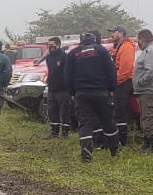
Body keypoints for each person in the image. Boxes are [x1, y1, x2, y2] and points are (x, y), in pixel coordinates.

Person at [65, 32, 120, 162]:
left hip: (81, 94)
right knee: (108, 121)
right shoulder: (103, 51)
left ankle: (86, 155)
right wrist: (111, 88)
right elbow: (111, 71)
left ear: (81, 41)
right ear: (95, 41)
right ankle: (114, 150)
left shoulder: (73, 54)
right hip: (102, 93)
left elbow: (67, 76)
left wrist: (72, 92)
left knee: (85, 124)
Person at [132, 29, 153, 153]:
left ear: (142, 39)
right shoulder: (147, 51)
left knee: (149, 118)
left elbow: (152, 70)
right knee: (145, 118)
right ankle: (147, 144)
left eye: (138, 40)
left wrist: (141, 82)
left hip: (149, 91)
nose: (137, 43)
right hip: (145, 91)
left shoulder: (151, 51)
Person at [40, 37, 73, 139]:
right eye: (49, 45)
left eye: (52, 45)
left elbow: (69, 73)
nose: (50, 47)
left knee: (64, 112)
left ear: (58, 45)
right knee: (52, 111)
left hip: (63, 89)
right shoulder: (49, 57)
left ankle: (65, 134)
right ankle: (54, 133)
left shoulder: (65, 56)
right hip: (52, 88)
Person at [109, 25, 136, 147]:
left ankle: (121, 140)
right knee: (118, 111)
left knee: (120, 111)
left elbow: (125, 70)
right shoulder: (119, 46)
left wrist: (115, 84)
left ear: (120, 33)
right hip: (120, 82)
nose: (111, 35)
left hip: (123, 82)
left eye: (113, 32)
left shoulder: (126, 47)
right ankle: (118, 138)